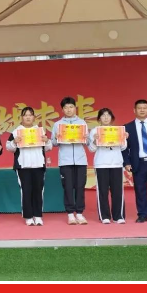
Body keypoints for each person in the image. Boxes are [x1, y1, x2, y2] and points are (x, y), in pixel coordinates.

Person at [6, 106, 53, 226]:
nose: (28, 117)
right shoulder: (16, 131)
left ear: (34, 117)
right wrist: (14, 142)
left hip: (39, 165)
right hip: (23, 166)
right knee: (26, 191)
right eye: (25, 115)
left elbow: (49, 147)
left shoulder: (40, 131)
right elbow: (9, 148)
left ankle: (38, 216)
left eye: (30, 115)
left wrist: (47, 140)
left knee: (39, 190)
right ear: (21, 117)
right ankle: (28, 216)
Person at [51, 96, 89, 225]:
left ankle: (80, 213)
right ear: (62, 109)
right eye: (66, 107)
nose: (69, 109)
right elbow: (53, 143)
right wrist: (57, 138)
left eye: (71, 107)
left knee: (80, 187)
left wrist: (86, 137)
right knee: (67, 187)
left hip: (81, 161)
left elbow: (87, 143)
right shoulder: (58, 125)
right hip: (65, 161)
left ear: (75, 108)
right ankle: (70, 214)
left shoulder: (82, 123)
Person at [88, 108, 128, 224]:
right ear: (99, 118)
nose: (106, 118)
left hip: (116, 163)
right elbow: (91, 149)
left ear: (112, 118)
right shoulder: (95, 131)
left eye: (108, 115)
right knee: (102, 191)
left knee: (117, 191)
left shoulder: (118, 130)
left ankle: (118, 216)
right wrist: (95, 141)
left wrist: (124, 138)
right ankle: (104, 216)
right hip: (101, 164)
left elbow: (123, 147)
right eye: (103, 115)